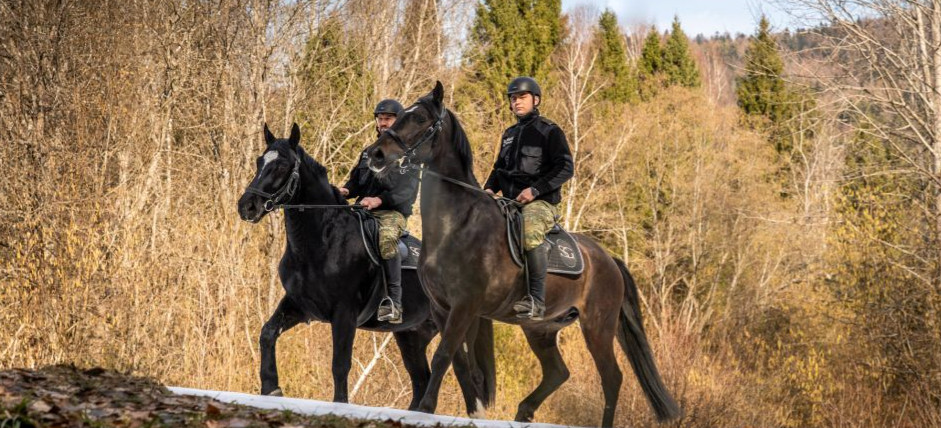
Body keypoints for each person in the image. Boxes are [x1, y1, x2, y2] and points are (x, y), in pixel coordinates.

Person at [483, 77, 574, 320]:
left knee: (530, 230)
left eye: (521, 97)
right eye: (513, 98)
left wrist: (535, 191)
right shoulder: (509, 134)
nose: (516, 102)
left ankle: (536, 300)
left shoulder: (550, 130)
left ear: (536, 100)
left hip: (540, 203)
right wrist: (489, 189)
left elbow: (566, 168)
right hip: (509, 202)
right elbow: (498, 168)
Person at [339, 99, 418, 324]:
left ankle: (394, 302)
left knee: (386, 240)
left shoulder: (408, 155)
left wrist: (379, 200)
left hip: (391, 215)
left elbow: (407, 193)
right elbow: (356, 182)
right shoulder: (368, 151)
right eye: (380, 118)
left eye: (388, 118)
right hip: (361, 211)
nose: (383, 122)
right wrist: (345, 190)